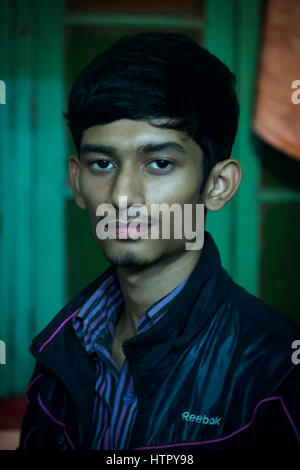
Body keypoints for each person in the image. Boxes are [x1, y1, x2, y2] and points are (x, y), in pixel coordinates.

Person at [18, 32, 300, 450]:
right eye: (102, 163)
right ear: (76, 181)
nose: (122, 196)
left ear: (218, 186)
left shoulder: (278, 370)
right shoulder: (62, 348)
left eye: (160, 163)